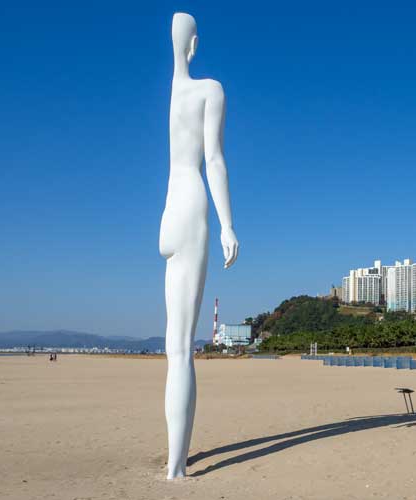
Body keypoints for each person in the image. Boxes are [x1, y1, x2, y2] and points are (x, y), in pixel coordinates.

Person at [159, 12, 240, 480]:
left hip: (167, 213)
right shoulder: (208, 89)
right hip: (190, 207)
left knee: (173, 348)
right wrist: (228, 224)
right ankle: (175, 467)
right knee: (184, 350)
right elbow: (213, 158)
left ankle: (174, 462)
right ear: (194, 46)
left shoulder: (170, 95)